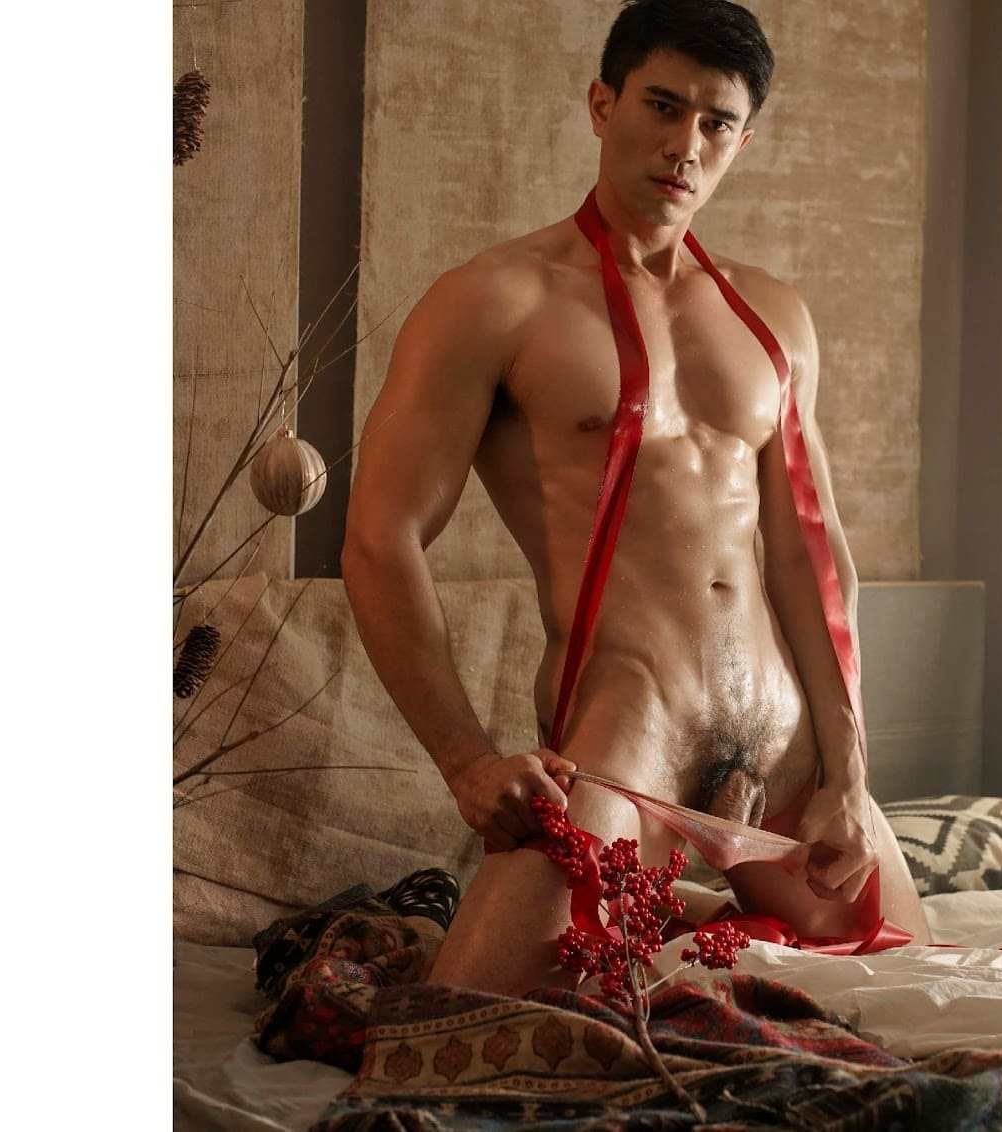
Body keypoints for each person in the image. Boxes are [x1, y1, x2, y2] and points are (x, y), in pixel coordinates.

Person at [340, 0, 930, 997]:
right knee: (465, 1017)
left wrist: (848, 773)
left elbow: (810, 555)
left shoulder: (772, 313)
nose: (684, 144)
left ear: (743, 140)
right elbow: (378, 537)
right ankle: (675, 911)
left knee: (919, 982)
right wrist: (468, 763)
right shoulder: (493, 299)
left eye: (716, 122)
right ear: (601, 105)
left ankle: (686, 913)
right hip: (629, 732)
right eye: (661, 106)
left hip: (779, 735)